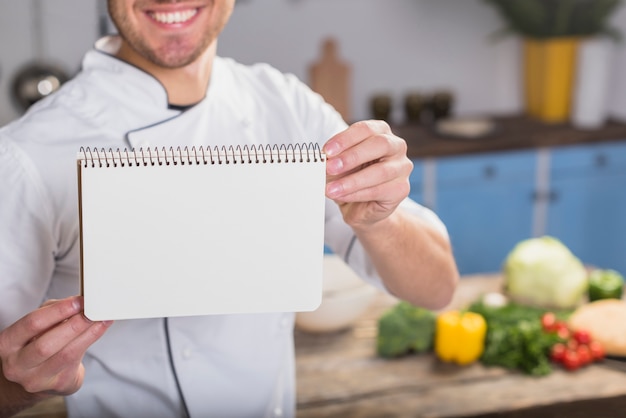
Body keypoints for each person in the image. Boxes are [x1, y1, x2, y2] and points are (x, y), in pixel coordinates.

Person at [0, 1, 459, 417]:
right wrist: (25, 384)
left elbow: (437, 289)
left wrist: (380, 223)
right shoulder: (28, 156)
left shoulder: (287, 106)